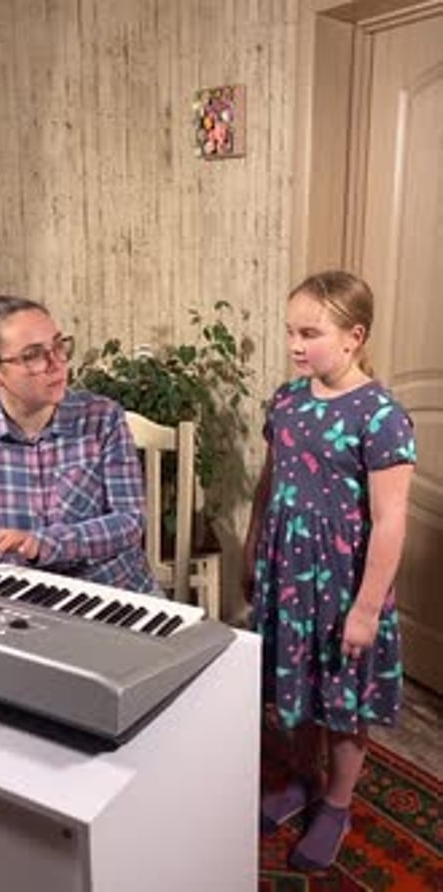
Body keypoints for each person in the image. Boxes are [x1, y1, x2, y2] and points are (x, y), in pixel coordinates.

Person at [243, 270, 416, 871]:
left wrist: (366, 609)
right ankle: (299, 778)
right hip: (286, 570)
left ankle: (337, 805)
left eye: (310, 333)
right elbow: (271, 483)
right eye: (290, 330)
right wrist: (252, 546)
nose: (294, 344)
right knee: (293, 685)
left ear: (353, 336)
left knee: (342, 699)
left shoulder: (381, 415)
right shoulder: (287, 399)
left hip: (345, 584)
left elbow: (390, 521)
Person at [0, 286, 159, 593]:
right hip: (18, 592)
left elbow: (130, 521)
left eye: (58, 346)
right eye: (32, 356)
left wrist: (40, 544)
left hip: (112, 589)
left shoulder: (103, 416)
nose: (56, 363)